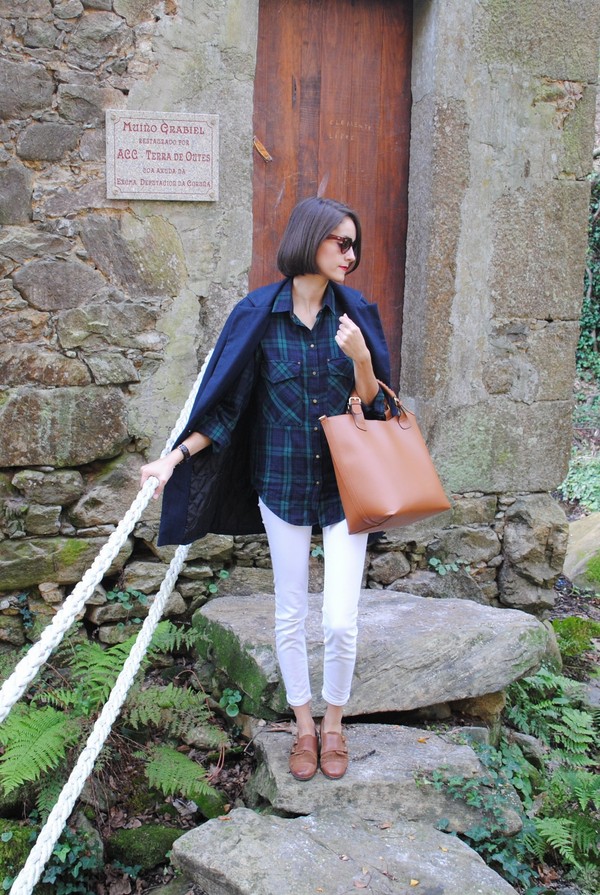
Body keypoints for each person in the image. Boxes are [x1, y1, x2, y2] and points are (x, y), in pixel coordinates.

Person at [140, 196, 392, 782]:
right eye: (341, 243)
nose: (351, 256)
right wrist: (173, 457)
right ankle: (304, 726)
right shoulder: (257, 315)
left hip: (346, 487)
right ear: (309, 241)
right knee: (290, 611)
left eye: (354, 245)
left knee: (340, 620)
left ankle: (335, 723)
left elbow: (375, 405)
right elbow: (226, 408)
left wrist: (361, 358)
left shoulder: (354, 315)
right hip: (280, 483)